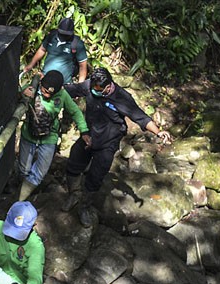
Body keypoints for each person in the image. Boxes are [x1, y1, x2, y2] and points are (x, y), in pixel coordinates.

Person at [62, 67, 172, 227]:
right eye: (94, 88)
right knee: (74, 162)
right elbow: (71, 89)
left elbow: (140, 117)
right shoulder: (90, 86)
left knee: (95, 176)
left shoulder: (122, 98)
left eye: (100, 89)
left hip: (108, 143)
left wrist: (159, 132)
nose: (96, 91)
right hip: (89, 137)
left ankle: (84, 207)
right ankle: (74, 195)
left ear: (109, 85)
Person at [18, 70, 90, 201]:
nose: (45, 95)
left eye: (49, 93)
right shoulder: (32, 88)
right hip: (29, 135)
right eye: (44, 90)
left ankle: (21, 199)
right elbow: (13, 97)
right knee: (24, 169)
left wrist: (84, 131)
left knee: (39, 173)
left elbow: (75, 112)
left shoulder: (62, 95)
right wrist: (22, 94)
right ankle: (22, 188)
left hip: (49, 137)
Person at [23, 18, 88, 83]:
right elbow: (42, 50)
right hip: (45, 79)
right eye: (62, 33)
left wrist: (80, 84)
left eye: (66, 34)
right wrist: (31, 65)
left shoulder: (77, 43)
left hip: (64, 83)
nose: (64, 36)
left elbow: (82, 65)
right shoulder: (51, 36)